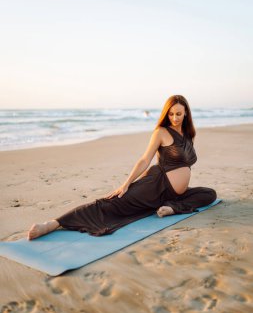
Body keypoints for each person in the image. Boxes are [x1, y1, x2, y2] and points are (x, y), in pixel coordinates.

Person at [28, 95, 217, 240]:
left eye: (178, 113)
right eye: (171, 113)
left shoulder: (189, 134)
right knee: (110, 204)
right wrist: (126, 183)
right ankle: (53, 224)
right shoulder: (161, 132)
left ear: (186, 114)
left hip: (173, 195)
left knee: (209, 194)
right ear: (166, 114)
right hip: (155, 186)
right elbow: (145, 160)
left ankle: (172, 208)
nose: (174, 117)